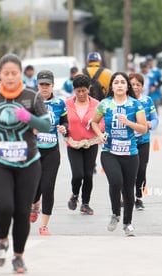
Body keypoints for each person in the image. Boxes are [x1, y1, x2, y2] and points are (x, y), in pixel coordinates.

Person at [0, 53, 51, 273]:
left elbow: (45, 126)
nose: (9, 77)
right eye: (5, 73)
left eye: (14, 73)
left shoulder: (32, 96)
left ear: (20, 74)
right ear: (0, 75)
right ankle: (2, 241)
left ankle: (18, 256)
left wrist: (29, 118)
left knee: (21, 211)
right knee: (3, 206)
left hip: (28, 162)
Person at [91, 72, 147, 237]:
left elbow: (144, 128)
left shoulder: (135, 105)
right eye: (116, 82)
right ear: (112, 87)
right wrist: (99, 135)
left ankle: (127, 223)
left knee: (129, 189)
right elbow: (94, 122)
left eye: (123, 82)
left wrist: (129, 123)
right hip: (110, 152)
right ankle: (115, 213)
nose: (120, 85)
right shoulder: (105, 104)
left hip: (130, 153)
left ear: (127, 86)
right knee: (116, 182)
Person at [29, 70, 68, 236]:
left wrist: (64, 127)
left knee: (48, 186)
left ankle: (44, 225)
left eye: (47, 85)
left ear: (52, 86)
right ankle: (34, 204)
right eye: (41, 85)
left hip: (52, 151)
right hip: (34, 151)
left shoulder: (59, 103)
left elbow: (65, 121)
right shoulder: (30, 103)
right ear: (37, 86)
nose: (44, 88)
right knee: (34, 185)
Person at [64, 74, 104, 215]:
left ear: (89, 89)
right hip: (73, 143)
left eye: (84, 90)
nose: (81, 94)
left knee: (88, 174)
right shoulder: (67, 104)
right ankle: (75, 195)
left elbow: (102, 122)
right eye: (78, 91)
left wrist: (100, 131)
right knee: (77, 174)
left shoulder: (97, 104)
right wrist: (63, 128)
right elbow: (61, 120)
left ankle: (85, 203)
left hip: (90, 143)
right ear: (74, 90)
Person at [129, 73, 159, 211]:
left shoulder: (147, 101)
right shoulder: (124, 101)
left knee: (141, 169)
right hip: (127, 142)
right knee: (128, 171)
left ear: (142, 86)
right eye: (133, 84)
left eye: (138, 85)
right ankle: (126, 196)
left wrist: (149, 124)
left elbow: (155, 119)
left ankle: (139, 197)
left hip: (143, 141)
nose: (135, 87)